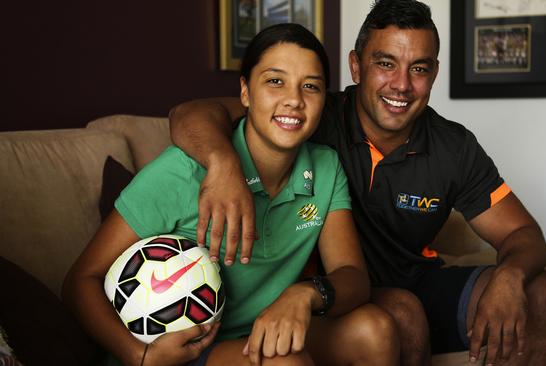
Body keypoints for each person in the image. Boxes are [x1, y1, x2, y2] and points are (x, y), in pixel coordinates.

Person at [168, 1, 546, 365]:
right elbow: (191, 113)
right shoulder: (311, 117)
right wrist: (222, 165)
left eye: (419, 68)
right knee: (402, 310)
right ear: (356, 66)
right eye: (386, 64)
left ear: (434, 74)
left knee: (544, 292)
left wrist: (509, 277)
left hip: (417, 279)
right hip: (335, 291)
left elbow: (522, 233)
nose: (401, 85)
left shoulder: (454, 146)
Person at [63, 23, 399, 366]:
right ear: (245, 92)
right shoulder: (181, 171)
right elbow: (80, 281)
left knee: (376, 330)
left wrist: (305, 294)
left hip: (258, 329)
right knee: (285, 364)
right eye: (275, 81)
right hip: (178, 352)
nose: (294, 100)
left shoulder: (325, 167)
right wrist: (140, 356)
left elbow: (353, 277)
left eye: (310, 87)